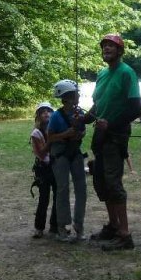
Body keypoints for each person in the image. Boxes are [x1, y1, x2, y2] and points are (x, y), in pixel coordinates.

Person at [87, 34, 141, 251]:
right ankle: (113, 226)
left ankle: (125, 235)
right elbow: (98, 106)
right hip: (100, 135)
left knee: (113, 182)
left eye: (111, 46)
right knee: (101, 181)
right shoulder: (102, 74)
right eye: (104, 46)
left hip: (116, 135)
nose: (106, 49)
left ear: (120, 51)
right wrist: (83, 119)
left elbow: (136, 109)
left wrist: (111, 124)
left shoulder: (127, 73)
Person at [47, 79, 88, 243]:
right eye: (76, 94)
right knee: (63, 189)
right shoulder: (56, 116)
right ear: (68, 97)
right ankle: (62, 227)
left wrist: (80, 134)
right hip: (60, 154)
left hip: (75, 153)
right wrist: (66, 134)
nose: (78, 96)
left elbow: (83, 130)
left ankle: (79, 225)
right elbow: (50, 137)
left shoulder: (79, 113)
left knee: (81, 189)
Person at [30, 101, 58, 239]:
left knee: (58, 197)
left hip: (57, 166)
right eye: (43, 112)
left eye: (49, 111)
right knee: (44, 198)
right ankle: (39, 227)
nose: (46, 113)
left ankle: (55, 226)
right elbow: (41, 153)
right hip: (44, 168)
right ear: (39, 116)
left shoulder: (57, 129)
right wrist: (52, 140)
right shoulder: (36, 133)